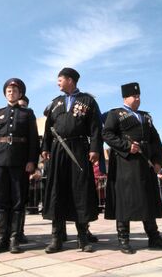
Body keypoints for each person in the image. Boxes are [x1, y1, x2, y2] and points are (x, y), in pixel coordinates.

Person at [103, 82, 162, 254]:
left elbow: (156, 140)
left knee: (148, 198)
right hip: (125, 163)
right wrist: (126, 146)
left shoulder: (146, 117)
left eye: (138, 95)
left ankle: (154, 237)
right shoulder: (115, 114)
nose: (137, 98)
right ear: (124, 98)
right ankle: (123, 239)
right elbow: (107, 134)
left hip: (145, 163)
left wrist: (158, 161)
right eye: (134, 96)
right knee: (124, 199)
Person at [41, 67, 102, 253]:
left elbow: (96, 128)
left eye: (60, 79)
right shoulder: (55, 103)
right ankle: (57, 238)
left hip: (79, 149)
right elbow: (47, 128)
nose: (57, 82)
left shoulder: (88, 100)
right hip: (58, 150)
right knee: (57, 190)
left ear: (70, 80)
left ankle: (83, 238)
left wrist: (94, 149)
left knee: (80, 190)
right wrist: (45, 148)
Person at [0, 78, 40, 254]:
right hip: (0, 162)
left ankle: (15, 238)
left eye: (15, 90)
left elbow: (33, 140)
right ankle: (2, 239)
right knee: (1, 201)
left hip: (19, 162)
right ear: (5, 93)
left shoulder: (27, 113)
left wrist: (32, 160)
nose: (11, 92)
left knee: (18, 201)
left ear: (20, 94)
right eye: (9, 90)